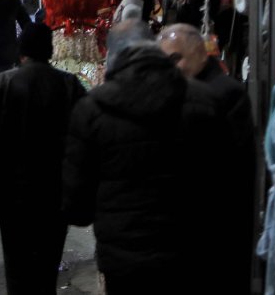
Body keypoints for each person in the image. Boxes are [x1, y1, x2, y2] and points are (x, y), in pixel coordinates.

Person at [61, 42, 229, 292]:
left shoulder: (93, 108)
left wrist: (83, 212)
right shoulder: (202, 103)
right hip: (185, 244)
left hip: (120, 249)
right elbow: (221, 180)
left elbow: (78, 192)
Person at [0, 23, 87, 295]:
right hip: (55, 191)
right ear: (50, 51)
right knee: (47, 264)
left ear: (21, 52)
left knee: (17, 266)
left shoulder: (3, 83)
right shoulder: (69, 85)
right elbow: (88, 135)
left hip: (12, 191)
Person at [159, 24, 255, 294]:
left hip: (218, 227)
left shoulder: (224, 92)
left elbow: (227, 167)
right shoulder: (184, 90)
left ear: (200, 54)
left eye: (176, 58)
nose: (171, 67)